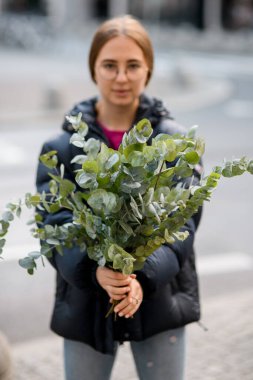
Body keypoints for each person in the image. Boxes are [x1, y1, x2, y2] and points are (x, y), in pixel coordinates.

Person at [36, 15, 202, 380]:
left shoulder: (174, 144)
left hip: (159, 298)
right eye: (110, 65)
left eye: (133, 66)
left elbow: (183, 225)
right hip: (86, 303)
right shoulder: (60, 148)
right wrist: (93, 270)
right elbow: (54, 225)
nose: (121, 77)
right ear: (94, 69)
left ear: (149, 69)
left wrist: (139, 275)